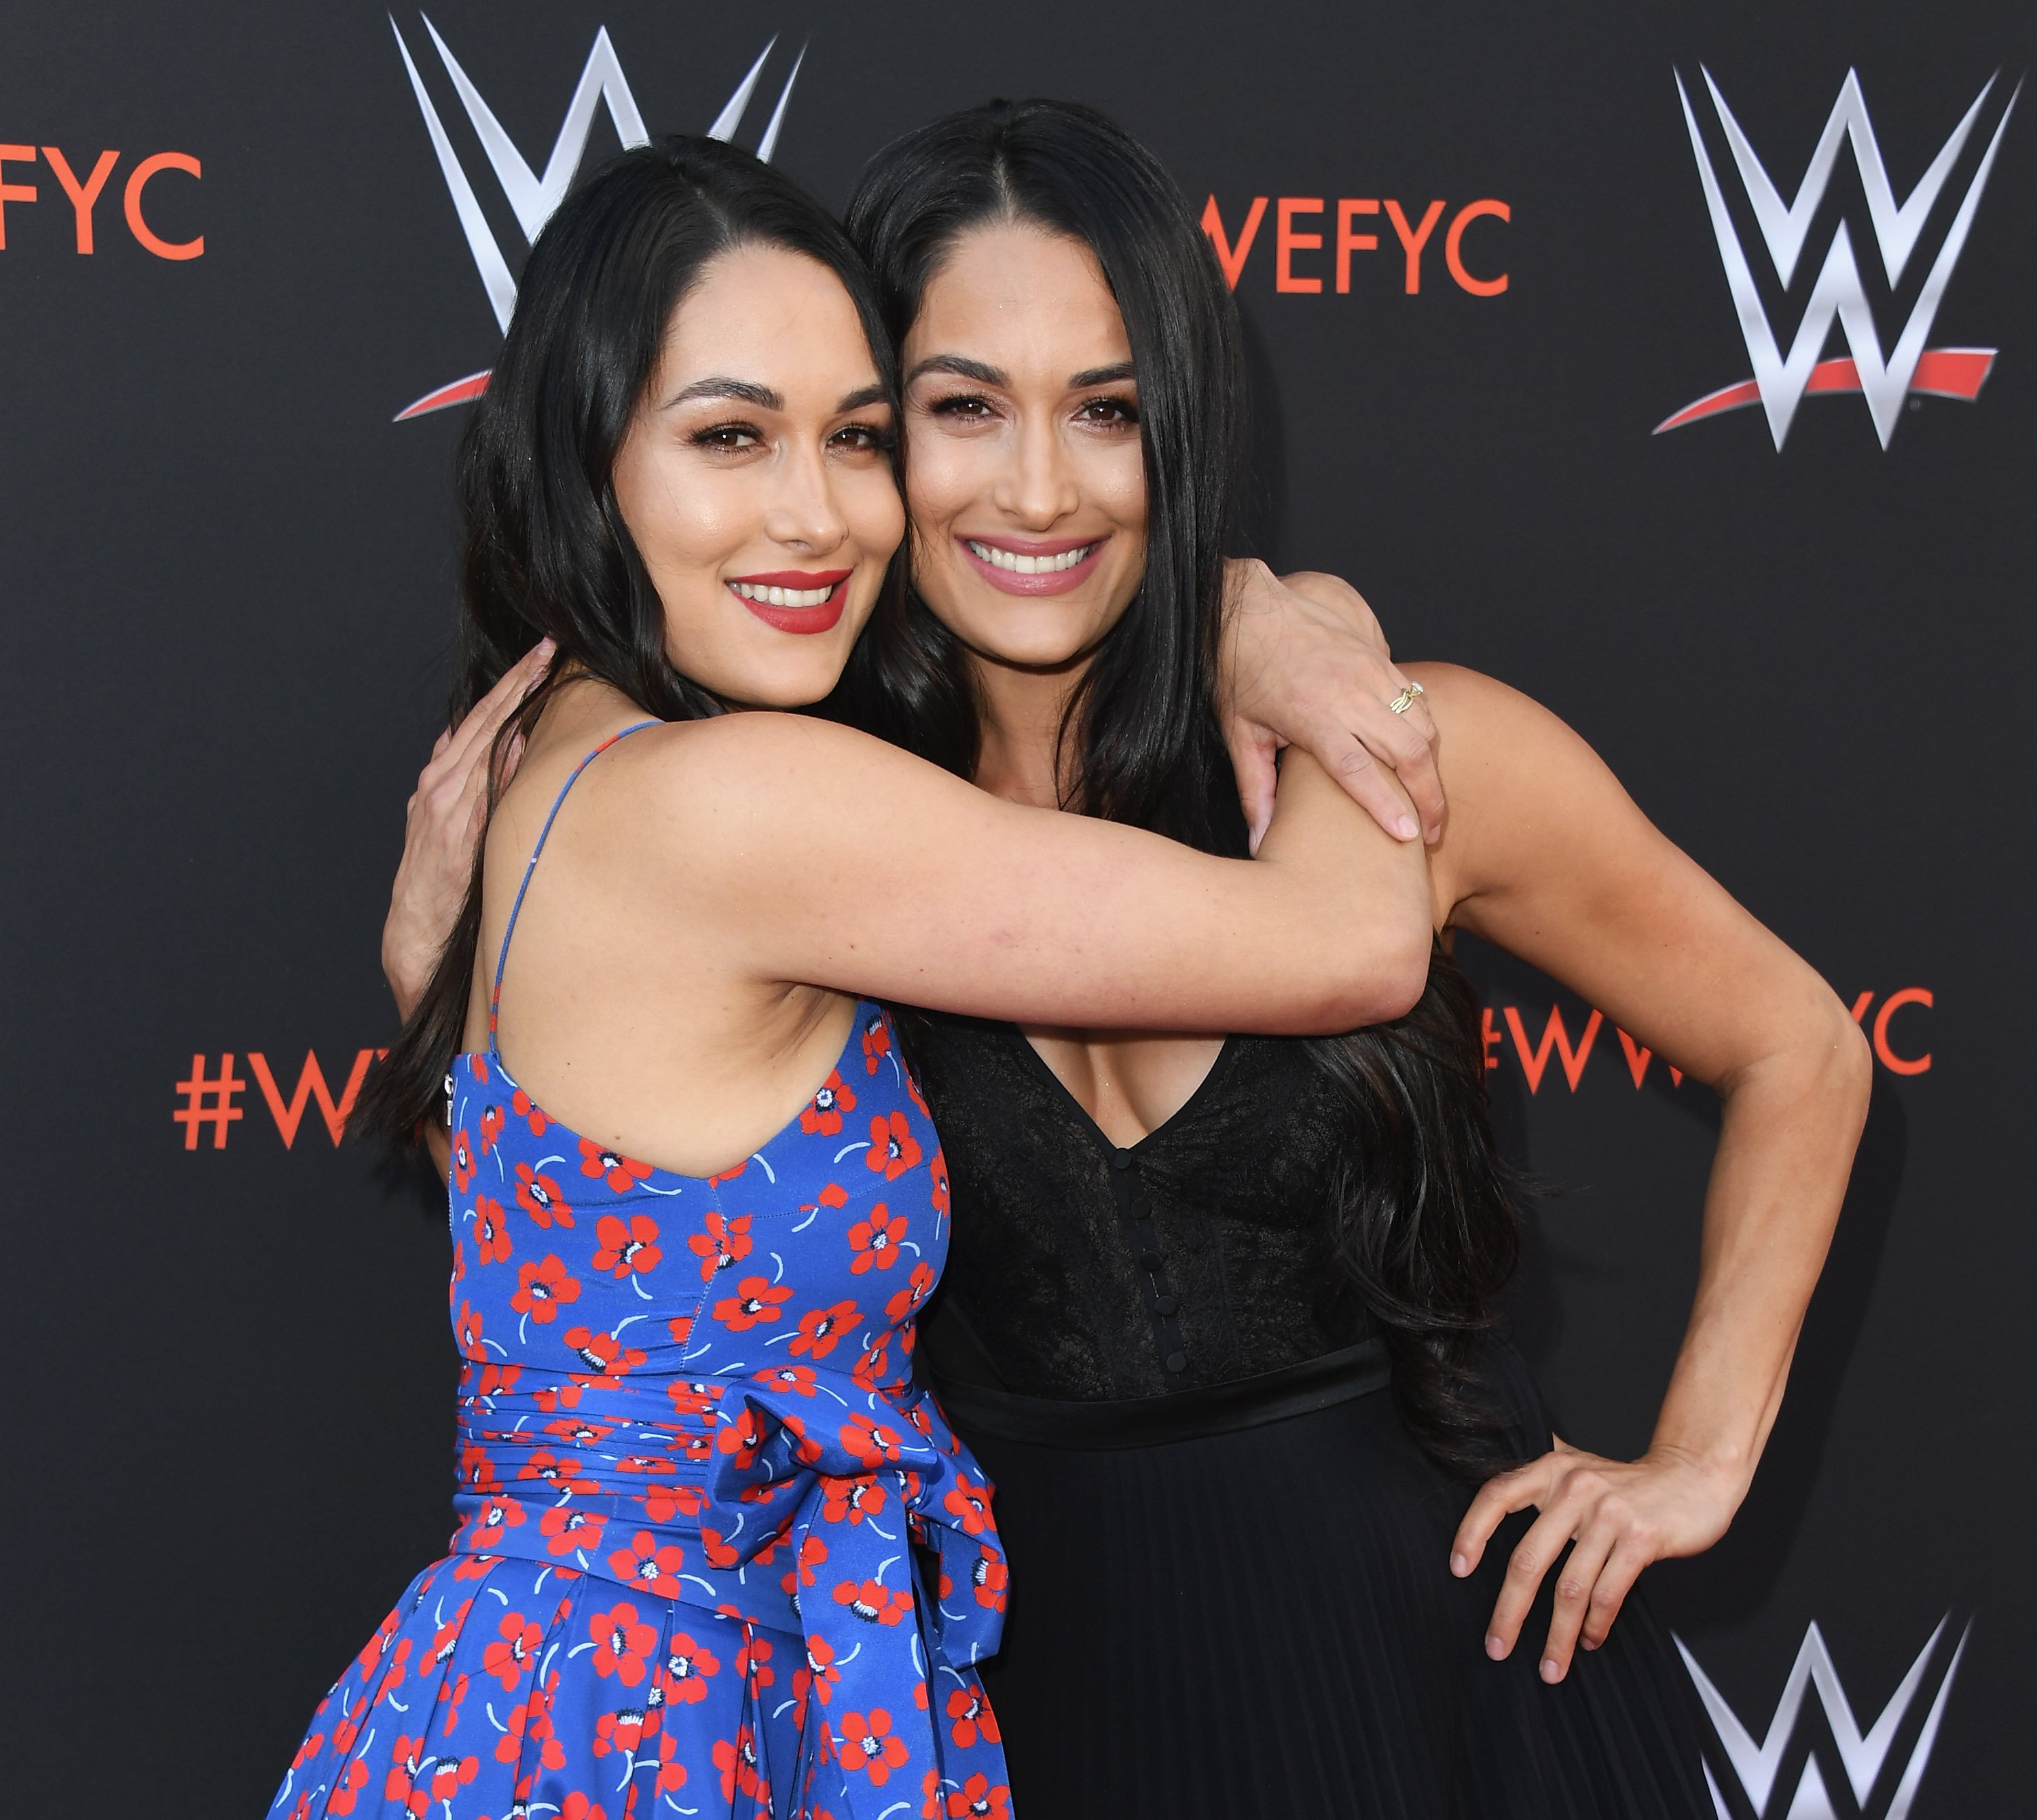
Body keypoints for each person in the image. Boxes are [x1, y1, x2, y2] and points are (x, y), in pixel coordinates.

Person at [383, 105, 1870, 1818]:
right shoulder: (800, 828)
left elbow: (1803, 1048)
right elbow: (621, 1237)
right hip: (1016, 1707)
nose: (1039, 487)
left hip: (1433, 1682)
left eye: (1109, 410)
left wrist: (1700, 1457)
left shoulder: (1399, 763)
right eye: (955, 411)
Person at [270, 135, 1442, 1820]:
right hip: (642, 1733)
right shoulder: (739, 799)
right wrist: (1282, 611)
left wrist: (430, 1006)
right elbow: (1353, 941)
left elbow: (607, 1284)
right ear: (585, 464)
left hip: (576, 1701)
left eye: (860, 438)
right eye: (730, 438)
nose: (817, 516)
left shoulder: (577, 749)